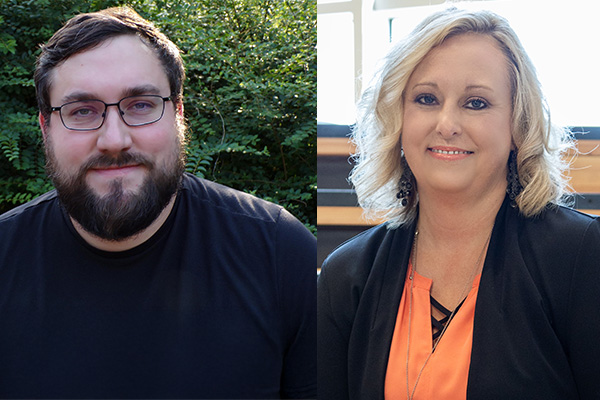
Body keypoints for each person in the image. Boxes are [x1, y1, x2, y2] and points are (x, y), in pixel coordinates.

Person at [0, 7, 316, 399]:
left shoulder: (280, 254)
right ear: (46, 126)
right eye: (82, 111)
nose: (114, 140)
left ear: (178, 113)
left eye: (141, 105)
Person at [318, 7, 600, 400]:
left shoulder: (581, 255)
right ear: (398, 120)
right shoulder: (346, 276)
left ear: (518, 125)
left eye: (476, 103)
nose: (446, 123)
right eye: (426, 98)